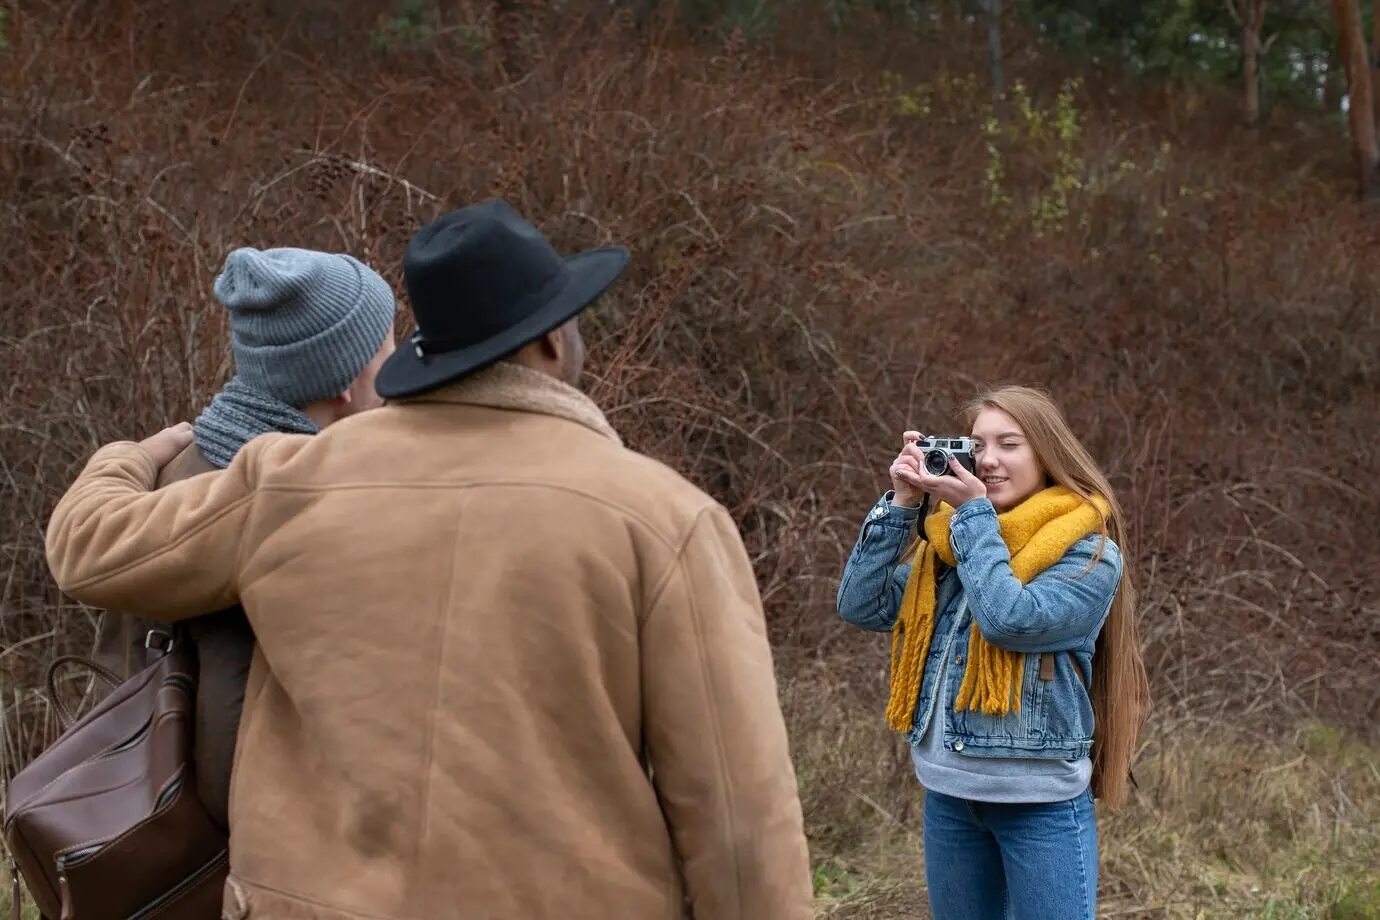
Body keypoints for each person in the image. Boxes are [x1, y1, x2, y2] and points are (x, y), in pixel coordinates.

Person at [44, 198, 815, 920]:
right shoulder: (665, 519)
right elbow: (737, 816)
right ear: (552, 342)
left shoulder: (288, 480)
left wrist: (130, 455)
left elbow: (89, 548)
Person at [93, 244, 398, 834]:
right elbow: (229, 726)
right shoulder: (286, 508)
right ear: (344, 381)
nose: (397, 364)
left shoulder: (179, 463)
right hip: (233, 845)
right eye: (385, 346)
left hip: (134, 811)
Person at [835, 386, 1150, 920]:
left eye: (1010, 444)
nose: (989, 459)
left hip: (1040, 804)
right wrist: (903, 503)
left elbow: (1010, 620)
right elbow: (861, 605)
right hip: (948, 796)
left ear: (1047, 454)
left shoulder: (1088, 551)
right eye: (976, 444)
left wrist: (974, 516)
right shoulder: (949, 542)